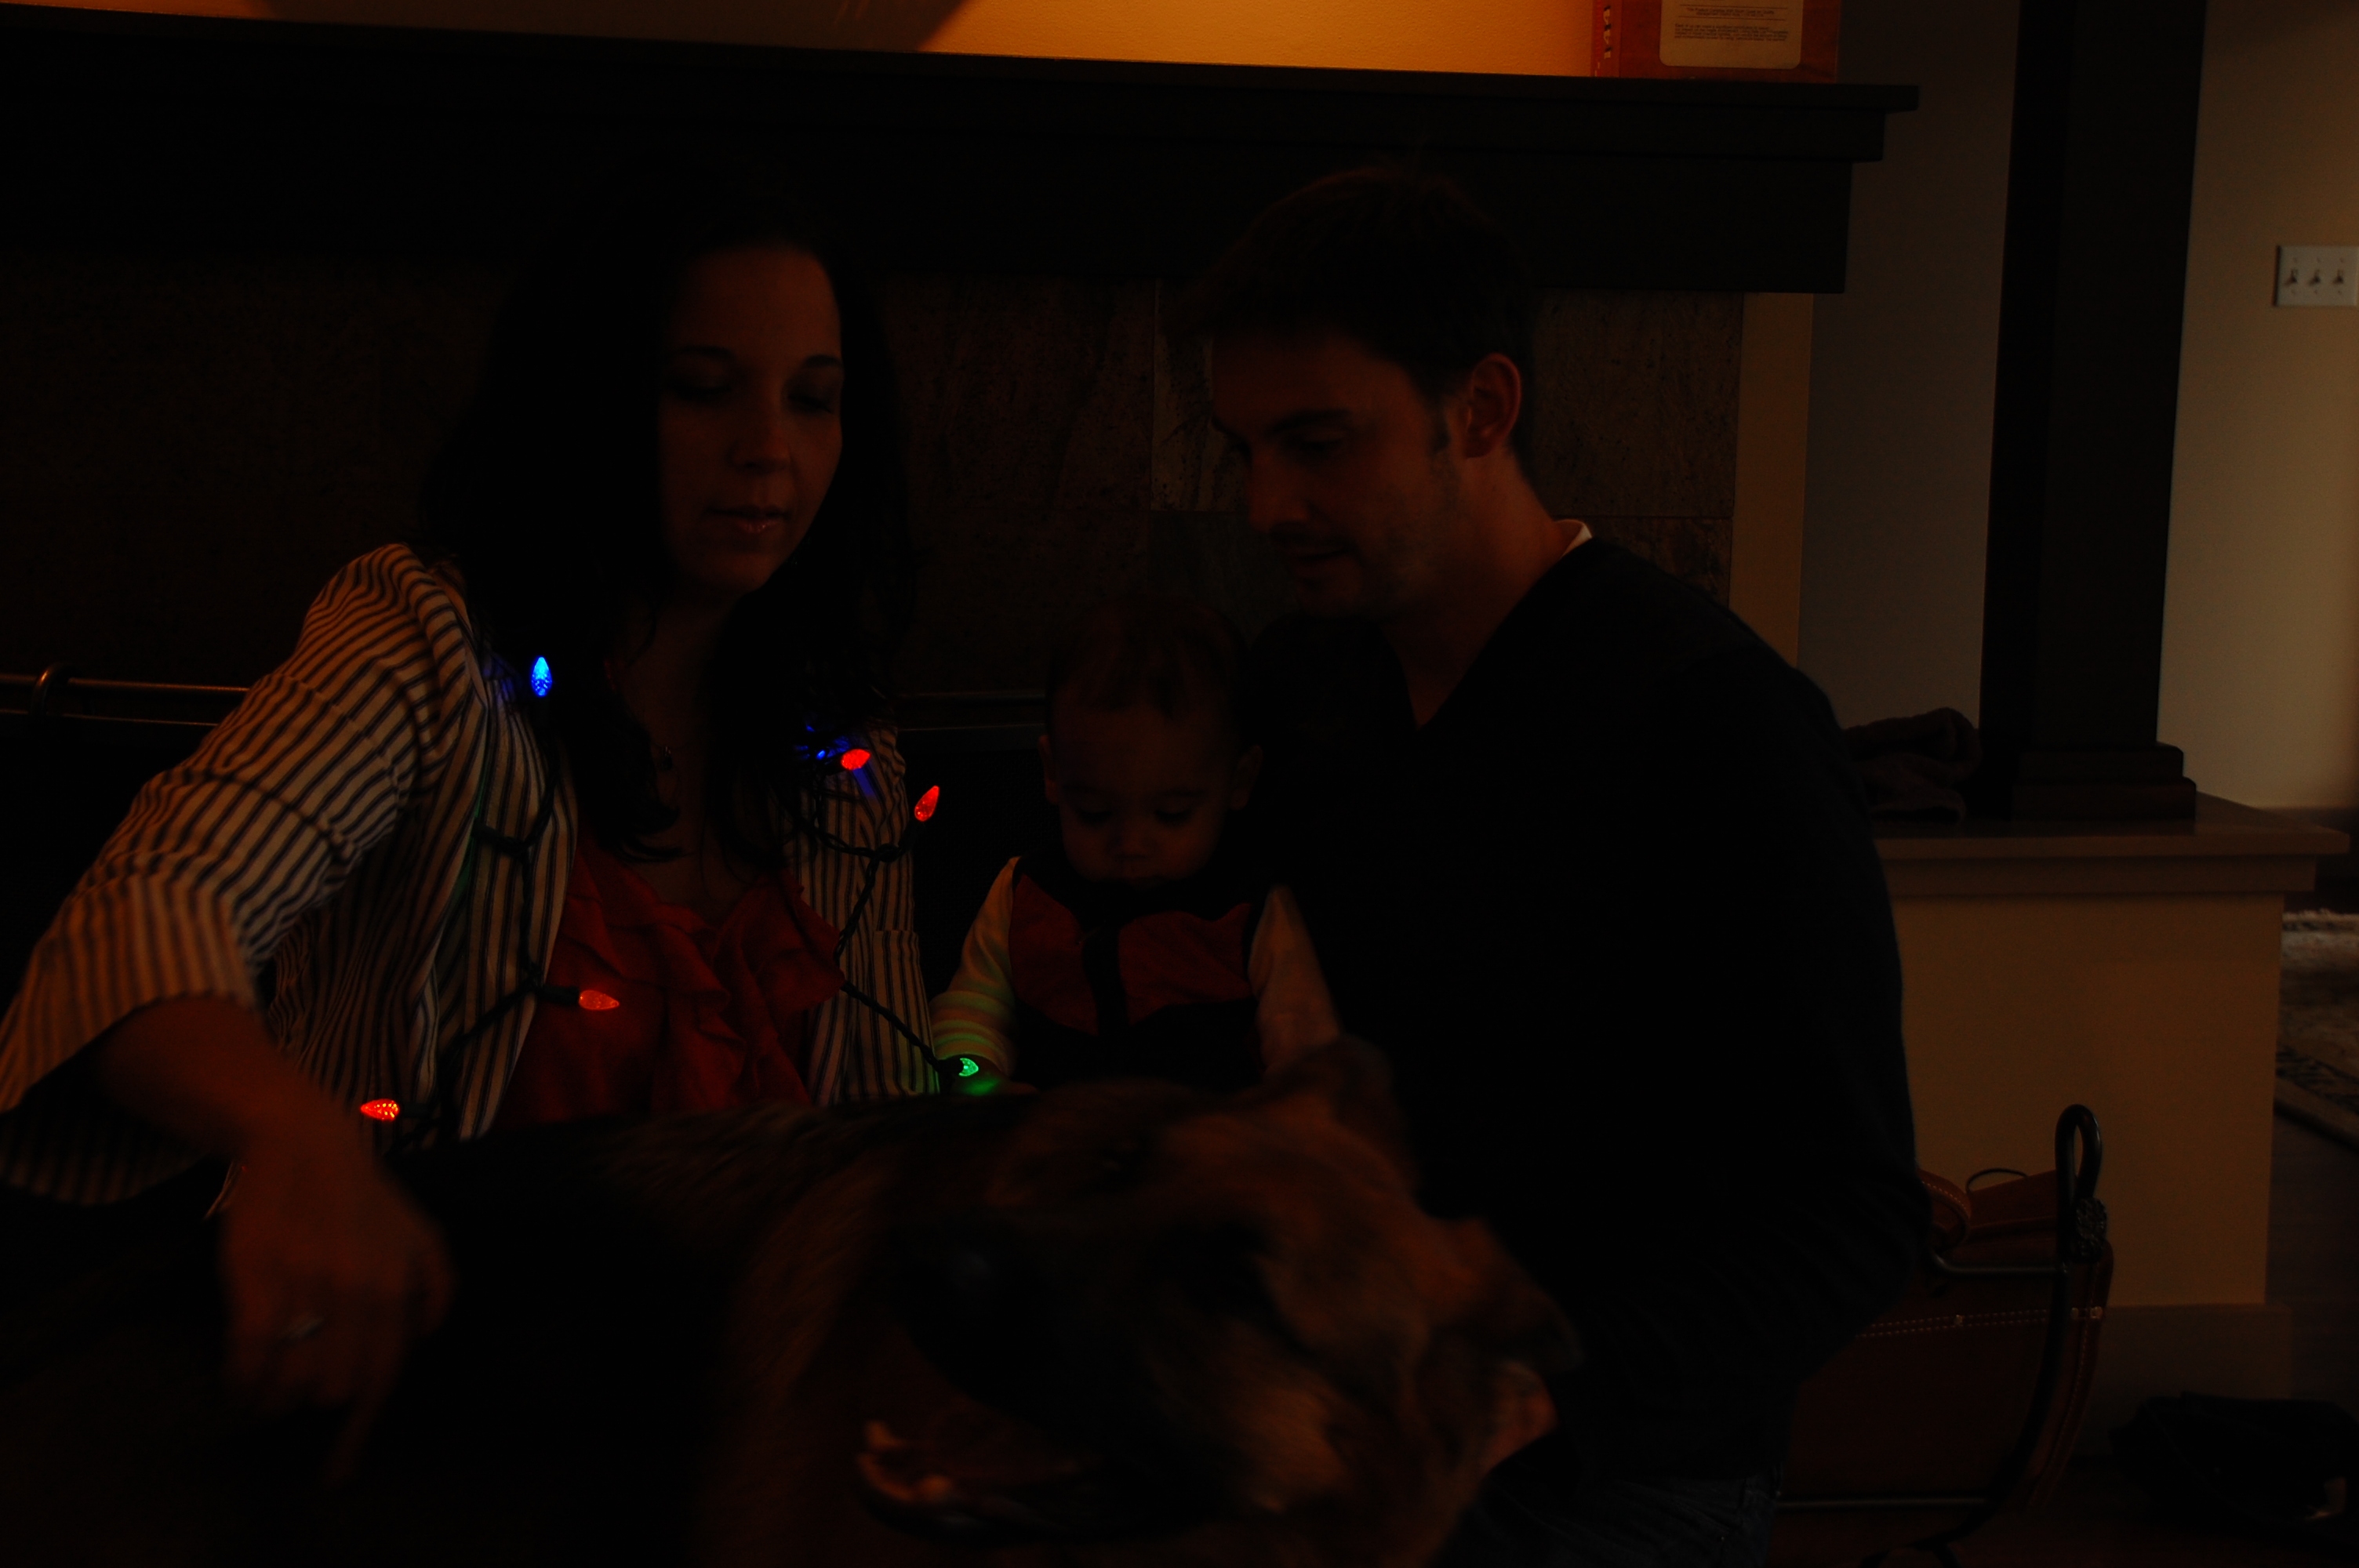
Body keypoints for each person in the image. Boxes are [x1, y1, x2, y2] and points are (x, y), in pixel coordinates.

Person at [0, 171, 935, 1436]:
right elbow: (152, 903)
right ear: (586, 398)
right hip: (397, 1398)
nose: (769, 447)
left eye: (812, 400)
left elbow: (884, 1134)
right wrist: (295, 1138)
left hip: (723, 1422)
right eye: (701, 387)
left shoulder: (841, 743)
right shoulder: (431, 644)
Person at [1185, 168, 1928, 1566]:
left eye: (1317, 443)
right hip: (1353, 1399)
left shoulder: (1716, 722)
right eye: (1244, 450)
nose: (1265, 502)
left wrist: (1531, 1398)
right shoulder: (1310, 684)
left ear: (1479, 409)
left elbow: (1853, 1213)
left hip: (1619, 1465)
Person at [929, 595, 1337, 1094]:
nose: (1131, 844)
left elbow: (1307, 1054)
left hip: (1206, 1138)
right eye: (1095, 812)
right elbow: (969, 1013)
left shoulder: (1255, 912)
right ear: (1054, 773)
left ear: (1239, 780)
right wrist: (976, 1079)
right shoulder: (1024, 894)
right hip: (1053, 1134)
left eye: (1172, 814)